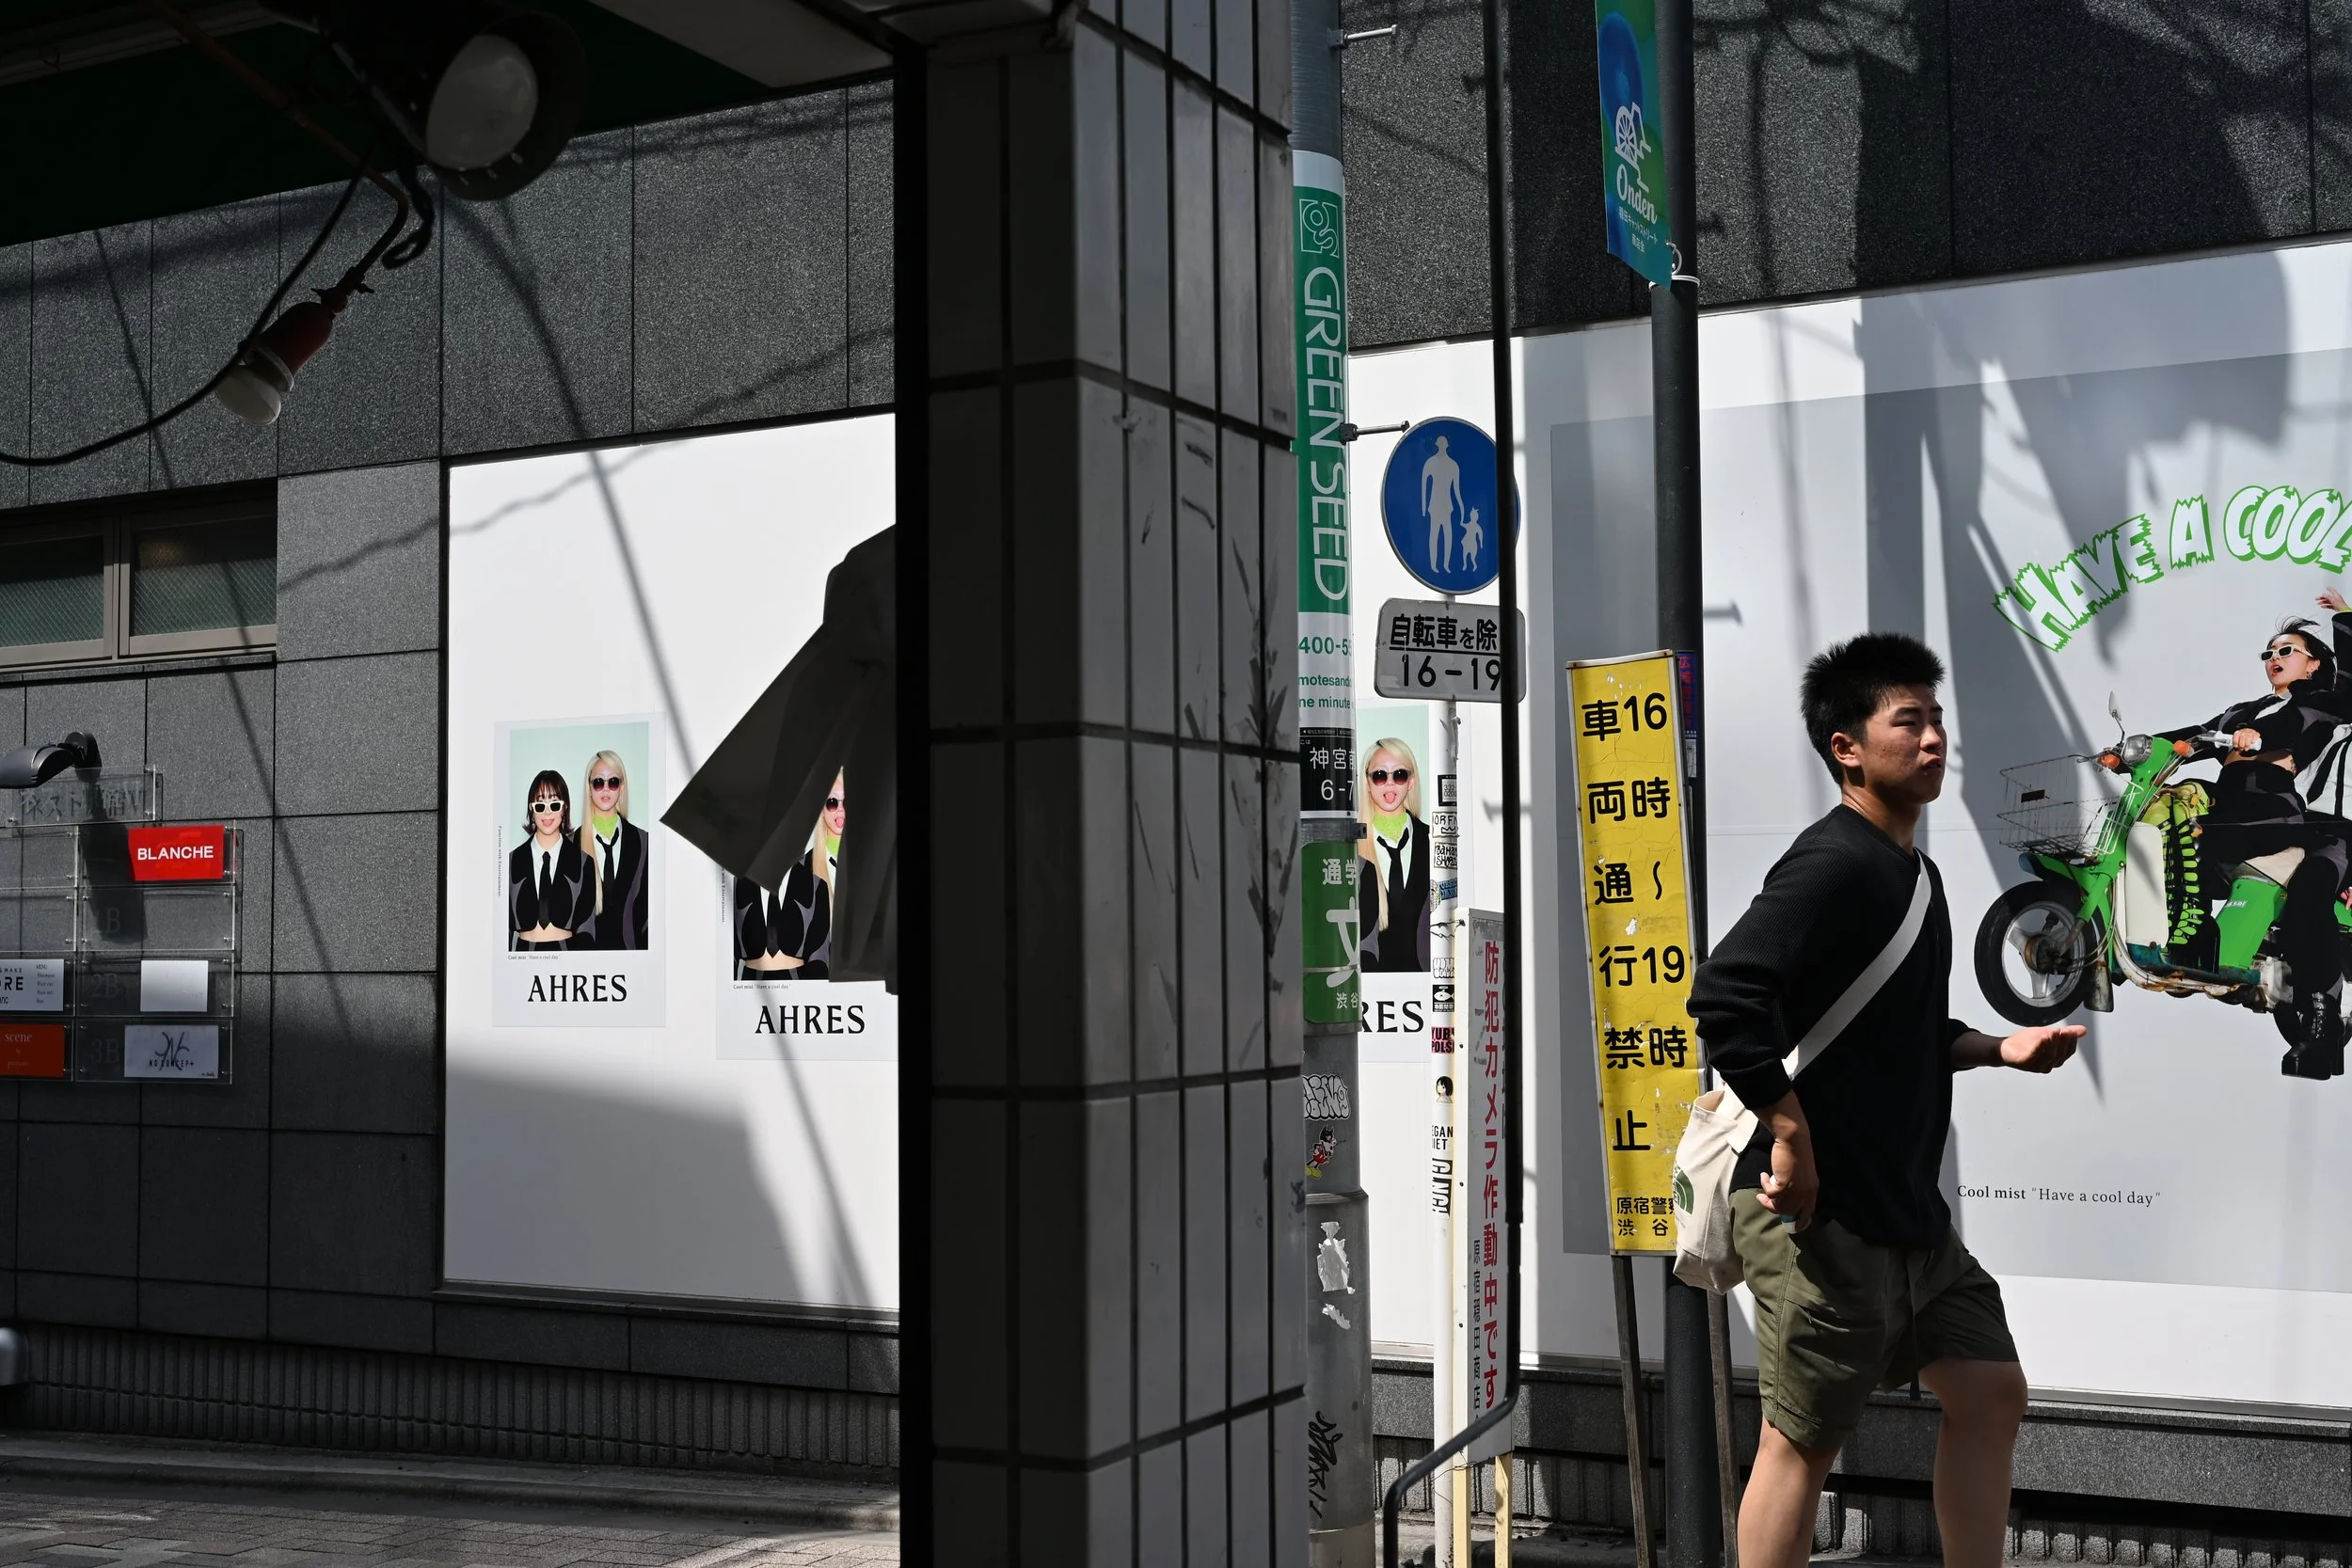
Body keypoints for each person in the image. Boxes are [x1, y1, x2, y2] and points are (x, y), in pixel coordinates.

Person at [1687, 632, 2083, 1568]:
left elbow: (1901, 1026)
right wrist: (1789, 1134)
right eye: (1908, 721)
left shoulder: (1915, 873)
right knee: (1802, 1436)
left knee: (1989, 1389)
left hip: (1904, 1213)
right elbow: (1725, 997)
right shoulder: (1832, 861)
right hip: (1816, 1215)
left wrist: (1998, 1047)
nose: (1934, 738)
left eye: (1936, 718)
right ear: (1847, 747)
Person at [2157, 596, 2352, 1072]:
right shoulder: (2250, 709)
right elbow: (2191, 735)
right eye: (2267, 654)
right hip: (2264, 822)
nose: (2273, 660)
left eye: (2285, 651)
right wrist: (2136, 749)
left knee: (2309, 894)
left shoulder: (2320, 706)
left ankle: (2324, 1027)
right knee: (2174, 834)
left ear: (2314, 664)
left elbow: (2343, 689)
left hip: (2307, 826)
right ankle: (2193, 946)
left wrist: (2345, 618)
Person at [1356, 738, 1430, 972]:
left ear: (1411, 781)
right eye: (1379, 775)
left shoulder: (1433, 841)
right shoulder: (1351, 847)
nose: (1389, 784)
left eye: (1399, 775)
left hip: (1425, 989)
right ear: (1367, 782)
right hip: (1369, 992)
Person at [509, 769, 595, 951]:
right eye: (540, 805)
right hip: (522, 959)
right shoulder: (511, 861)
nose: (547, 813)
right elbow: (501, 928)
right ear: (531, 810)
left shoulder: (583, 862)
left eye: (554, 804)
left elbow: (588, 929)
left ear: (565, 808)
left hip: (568, 960)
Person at [577, 750, 651, 951]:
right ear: (589, 788)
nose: (606, 789)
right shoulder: (571, 845)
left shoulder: (644, 843)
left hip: (634, 964)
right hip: (585, 968)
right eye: (599, 782)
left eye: (613, 782)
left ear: (622, 787)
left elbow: (649, 915)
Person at [772, 770, 844, 980]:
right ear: (821, 809)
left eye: (846, 802)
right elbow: (793, 945)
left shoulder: (874, 868)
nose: (840, 810)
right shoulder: (803, 870)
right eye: (832, 802)